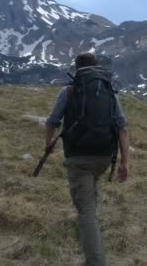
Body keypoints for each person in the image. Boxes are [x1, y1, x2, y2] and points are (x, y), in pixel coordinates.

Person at [45, 52, 129, 266]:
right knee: (89, 194)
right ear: (96, 67)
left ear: (76, 68)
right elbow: (122, 128)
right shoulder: (109, 90)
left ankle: (95, 261)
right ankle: (89, 229)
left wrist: (48, 145)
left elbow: (52, 121)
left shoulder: (70, 90)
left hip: (78, 157)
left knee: (85, 210)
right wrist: (124, 163)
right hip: (104, 156)